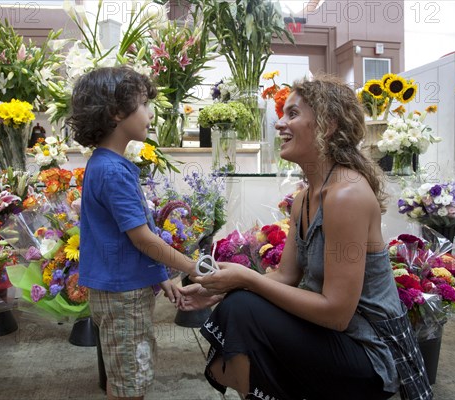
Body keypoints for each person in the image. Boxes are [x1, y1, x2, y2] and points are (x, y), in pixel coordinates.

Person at [178, 75, 432, 400]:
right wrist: (219, 289)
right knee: (238, 304)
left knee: (243, 307)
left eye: (292, 114)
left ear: (327, 125)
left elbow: (337, 314)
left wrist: (247, 280)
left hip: (369, 355)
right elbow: (286, 275)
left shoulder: (346, 194)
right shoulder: (305, 198)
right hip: (332, 338)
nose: (280, 124)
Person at [68, 66, 197, 400]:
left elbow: (133, 235)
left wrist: (160, 275)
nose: (150, 114)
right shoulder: (113, 172)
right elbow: (142, 239)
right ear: (116, 112)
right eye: (143, 104)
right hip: (122, 295)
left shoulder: (106, 164)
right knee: (131, 379)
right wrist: (192, 268)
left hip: (120, 290)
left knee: (124, 372)